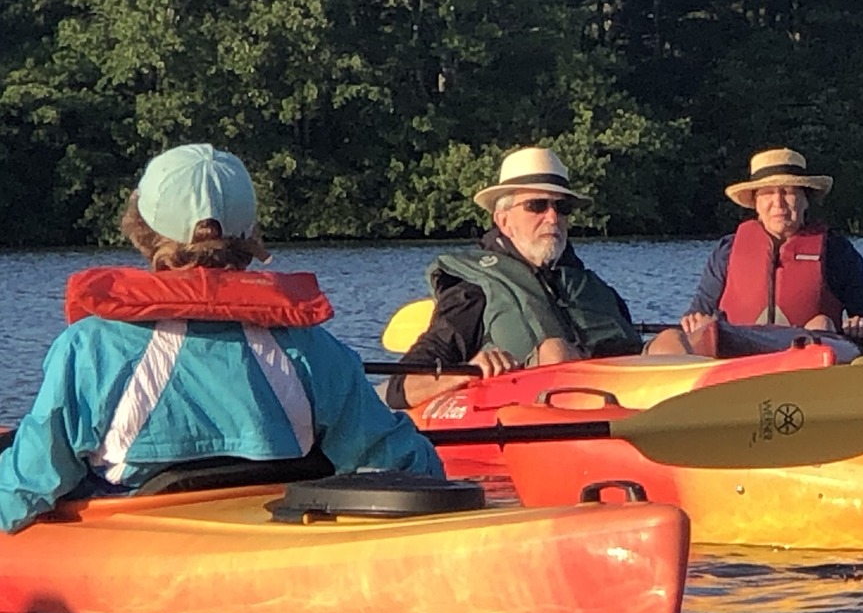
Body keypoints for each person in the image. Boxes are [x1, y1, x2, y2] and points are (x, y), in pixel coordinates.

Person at [0, 143, 442, 532]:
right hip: (276, 538)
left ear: (142, 229)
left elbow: (28, 485)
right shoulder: (313, 348)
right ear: (249, 234)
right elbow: (407, 466)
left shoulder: (91, 349)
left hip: (136, 549)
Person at [386, 147, 652, 409]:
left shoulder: (592, 289)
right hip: (533, 410)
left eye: (562, 208)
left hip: (619, 402)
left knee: (670, 341)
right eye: (536, 206)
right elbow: (400, 389)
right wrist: (468, 370)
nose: (552, 217)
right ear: (503, 221)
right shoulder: (471, 293)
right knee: (554, 351)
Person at [675, 148, 863, 355]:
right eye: (768, 193)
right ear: (755, 203)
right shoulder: (726, 252)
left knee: (821, 323)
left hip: (807, 362)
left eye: (788, 192)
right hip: (737, 359)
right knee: (671, 339)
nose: (778, 203)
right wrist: (695, 323)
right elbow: (697, 315)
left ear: (805, 200)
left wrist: (861, 329)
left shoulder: (837, 253)